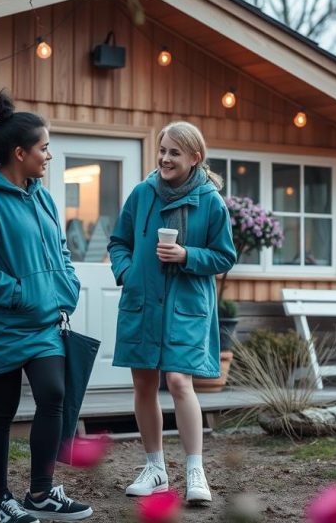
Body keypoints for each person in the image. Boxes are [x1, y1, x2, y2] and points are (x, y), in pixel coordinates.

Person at [0, 90, 93, 523]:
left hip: (45, 321)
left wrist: (66, 287)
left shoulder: (43, 198)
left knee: (54, 394)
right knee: (3, 406)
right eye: (44, 147)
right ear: (20, 152)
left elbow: (61, 251)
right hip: (0, 320)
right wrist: (16, 294)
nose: (49, 155)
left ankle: (41, 492)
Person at [108, 121, 236, 504]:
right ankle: (156, 469)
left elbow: (225, 255)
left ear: (195, 158)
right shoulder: (142, 194)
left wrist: (187, 256)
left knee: (180, 382)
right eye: (162, 150)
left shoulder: (210, 201)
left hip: (186, 306)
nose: (164, 158)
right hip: (142, 302)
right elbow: (119, 242)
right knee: (144, 384)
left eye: (174, 152)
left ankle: (195, 471)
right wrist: (128, 273)